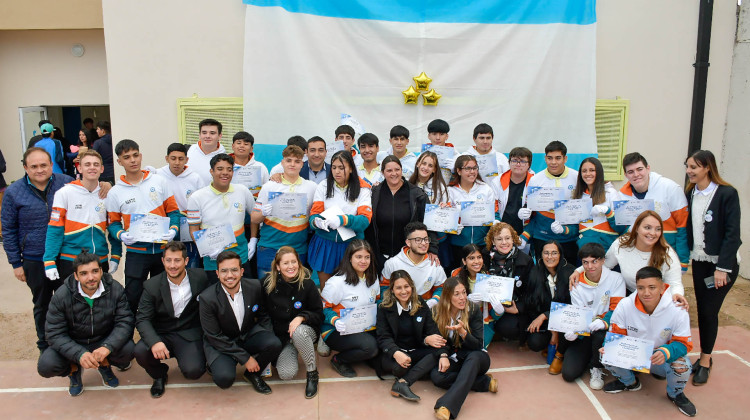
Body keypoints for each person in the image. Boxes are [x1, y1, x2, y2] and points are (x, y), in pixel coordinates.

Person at [1, 148, 73, 351]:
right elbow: (8, 229)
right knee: (42, 303)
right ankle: (45, 345)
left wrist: (103, 185)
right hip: (34, 258)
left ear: (51, 165)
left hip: (65, 256)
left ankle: (70, 342)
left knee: (69, 302)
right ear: (25, 168)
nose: (39, 170)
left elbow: (91, 190)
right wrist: (16, 263)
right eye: (34, 166)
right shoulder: (13, 193)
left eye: (44, 165)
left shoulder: (66, 183)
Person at [601, 267, 696, 417]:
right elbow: (616, 334)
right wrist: (611, 347)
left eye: (652, 287)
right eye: (641, 288)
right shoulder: (625, 305)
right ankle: (629, 383)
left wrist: (667, 351)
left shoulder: (678, 309)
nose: (646, 293)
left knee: (682, 365)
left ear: (662, 287)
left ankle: (675, 394)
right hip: (633, 354)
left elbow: (684, 343)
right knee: (605, 353)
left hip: (659, 358)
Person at [37, 252, 135, 397]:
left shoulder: (115, 289)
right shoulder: (61, 295)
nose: (91, 278)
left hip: (103, 340)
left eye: (95, 271)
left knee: (131, 350)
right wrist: (78, 354)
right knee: (46, 365)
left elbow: (125, 321)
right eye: (84, 273)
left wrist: (107, 347)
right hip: (74, 342)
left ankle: (104, 364)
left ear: (101, 271)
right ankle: (73, 369)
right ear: (76, 276)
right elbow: (54, 333)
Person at [684, 150, 742, 385]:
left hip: (721, 265)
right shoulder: (691, 192)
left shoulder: (726, 193)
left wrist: (723, 268)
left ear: (708, 167)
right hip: (700, 260)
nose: (689, 171)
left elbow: (732, 233)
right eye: (687, 166)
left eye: (694, 167)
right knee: (702, 310)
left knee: (709, 311)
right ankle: (703, 355)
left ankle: (706, 360)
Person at [106, 139, 181, 314]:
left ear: (140, 156)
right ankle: (129, 332)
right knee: (132, 296)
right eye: (126, 157)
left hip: (163, 251)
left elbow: (174, 212)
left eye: (135, 155)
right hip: (136, 252)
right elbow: (113, 223)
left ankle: (160, 331)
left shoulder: (159, 182)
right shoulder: (115, 192)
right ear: (119, 162)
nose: (132, 160)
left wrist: (173, 230)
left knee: (163, 294)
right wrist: (121, 235)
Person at [134, 241, 209, 398]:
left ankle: (192, 357)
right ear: (163, 261)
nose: (172, 265)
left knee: (194, 372)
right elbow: (142, 318)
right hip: (163, 333)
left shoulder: (201, 277)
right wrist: (155, 342)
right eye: (168, 260)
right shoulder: (151, 285)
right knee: (140, 351)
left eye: (177, 260)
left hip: (189, 333)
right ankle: (159, 374)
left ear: (186, 261)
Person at [199, 251, 282, 391]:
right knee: (224, 380)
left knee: (274, 343)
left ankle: (253, 374)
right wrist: (246, 358)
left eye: (234, 270)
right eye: (224, 271)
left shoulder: (254, 286)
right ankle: (218, 363)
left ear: (242, 271)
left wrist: (267, 338)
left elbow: (263, 315)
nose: (230, 275)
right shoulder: (207, 298)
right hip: (222, 342)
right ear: (217, 273)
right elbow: (214, 336)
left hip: (247, 335)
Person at [570, 211, 687, 307]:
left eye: (658, 229)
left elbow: (674, 283)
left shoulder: (667, 253)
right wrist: (578, 271)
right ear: (636, 228)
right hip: (630, 297)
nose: (653, 233)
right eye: (647, 227)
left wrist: (677, 295)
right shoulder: (622, 245)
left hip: (658, 300)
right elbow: (605, 264)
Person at [43, 150, 120, 282]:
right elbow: (55, 228)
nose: (92, 167)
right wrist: (49, 260)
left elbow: (113, 225)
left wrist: (116, 255)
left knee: (100, 301)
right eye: (87, 164)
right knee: (72, 302)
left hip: (99, 258)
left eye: (96, 164)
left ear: (101, 169)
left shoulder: (108, 194)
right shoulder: (65, 193)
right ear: (79, 168)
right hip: (71, 259)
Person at [558, 243, 625, 388]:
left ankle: (596, 367)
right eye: (585, 262)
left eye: (594, 261)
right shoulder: (575, 283)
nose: (590, 266)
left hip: (606, 331)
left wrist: (604, 322)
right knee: (568, 374)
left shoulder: (616, 279)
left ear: (602, 261)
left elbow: (617, 310)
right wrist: (575, 330)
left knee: (600, 334)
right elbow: (578, 313)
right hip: (586, 332)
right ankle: (590, 356)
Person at [261, 247, 323, 398]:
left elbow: (319, 314)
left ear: (299, 263)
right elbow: (262, 315)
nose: (291, 266)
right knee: (286, 374)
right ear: (277, 266)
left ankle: (312, 373)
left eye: (294, 262)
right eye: (286, 263)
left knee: (299, 331)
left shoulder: (307, 284)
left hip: (306, 331)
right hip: (282, 337)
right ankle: (291, 352)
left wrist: (301, 317)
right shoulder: (267, 284)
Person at [431, 277, 497, 420]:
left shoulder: (472, 309)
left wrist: (462, 332)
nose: (462, 298)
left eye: (464, 292)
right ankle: (483, 382)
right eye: (457, 294)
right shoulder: (437, 312)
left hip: (478, 357)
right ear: (448, 296)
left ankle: (447, 406)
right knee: (437, 376)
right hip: (456, 357)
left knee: (473, 357)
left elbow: (478, 344)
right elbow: (437, 340)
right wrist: (443, 355)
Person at [377, 270, 445, 402]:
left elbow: (432, 329)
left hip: (415, 350)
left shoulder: (419, 302)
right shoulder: (384, 307)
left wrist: (436, 348)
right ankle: (420, 371)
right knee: (400, 367)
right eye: (398, 288)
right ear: (392, 290)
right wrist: (396, 352)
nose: (403, 291)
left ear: (412, 287)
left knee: (437, 352)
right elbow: (383, 337)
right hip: (395, 353)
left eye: (406, 286)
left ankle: (403, 383)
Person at [187, 153, 256, 283]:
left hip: (240, 256)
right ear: (211, 171)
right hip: (213, 261)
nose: (225, 173)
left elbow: (255, 216)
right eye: (220, 169)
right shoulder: (197, 197)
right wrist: (207, 250)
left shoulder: (242, 191)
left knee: (246, 296)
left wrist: (253, 239)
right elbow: (193, 230)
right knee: (218, 299)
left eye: (229, 169)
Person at [308, 150, 372, 288]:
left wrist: (343, 220)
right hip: (326, 244)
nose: (337, 172)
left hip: (351, 245)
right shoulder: (324, 185)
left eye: (341, 168)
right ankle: (326, 309)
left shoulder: (363, 189)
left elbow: (364, 221)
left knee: (349, 286)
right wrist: (317, 222)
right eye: (334, 167)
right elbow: (313, 216)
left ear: (350, 169)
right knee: (325, 287)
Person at [252, 145, 317, 279]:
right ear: (282, 163)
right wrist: (263, 212)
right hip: (270, 247)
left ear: (302, 164)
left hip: (297, 249)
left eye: (297, 161)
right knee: (266, 291)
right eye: (289, 160)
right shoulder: (269, 186)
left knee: (295, 293)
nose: (292, 164)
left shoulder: (311, 187)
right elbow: (254, 218)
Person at [320, 239, 381, 377]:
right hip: (336, 330)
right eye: (358, 257)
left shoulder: (373, 278)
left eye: (367, 257)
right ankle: (339, 360)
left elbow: (377, 302)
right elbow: (322, 309)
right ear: (349, 258)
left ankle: (365, 355)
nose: (363, 261)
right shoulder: (336, 283)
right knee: (370, 347)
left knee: (384, 343)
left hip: (364, 327)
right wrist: (335, 321)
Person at [619, 152, 689, 271]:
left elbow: (683, 226)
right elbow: (623, 230)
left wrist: (682, 260)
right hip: (637, 255)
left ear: (648, 168)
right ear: (626, 175)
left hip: (665, 253)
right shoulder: (621, 196)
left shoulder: (670, 188)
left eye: (639, 169)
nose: (636, 175)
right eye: (630, 172)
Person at [367, 157, 435, 271]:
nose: (394, 174)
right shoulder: (374, 193)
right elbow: (369, 225)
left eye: (397, 169)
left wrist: (433, 250)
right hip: (379, 256)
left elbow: (429, 224)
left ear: (401, 170)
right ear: (382, 172)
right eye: (389, 171)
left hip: (409, 256)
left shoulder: (417, 194)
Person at [519, 141, 579, 263]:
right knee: (543, 273)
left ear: (565, 158)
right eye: (550, 158)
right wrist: (524, 212)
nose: (553, 162)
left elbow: (582, 207)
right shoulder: (536, 180)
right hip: (542, 236)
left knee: (569, 272)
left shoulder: (576, 177)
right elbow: (529, 207)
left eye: (558, 158)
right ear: (545, 158)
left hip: (568, 237)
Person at [478, 223, 534, 347]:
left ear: (513, 238)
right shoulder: (484, 257)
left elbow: (531, 291)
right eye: (499, 239)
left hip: (510, 307)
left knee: (509, 328)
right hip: (487, 306)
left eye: (507, 238)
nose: (504, 242)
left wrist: (518, 308)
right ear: (493, 241)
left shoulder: (525, 261)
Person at [522, 240, 575, 369]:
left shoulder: (570, 272)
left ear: (560, 255)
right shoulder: (535, 273)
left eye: (554, 253)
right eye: (546, 253)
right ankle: (550, 343)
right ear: (541, 255)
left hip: (567, 321)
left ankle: (561, 351)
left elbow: (571, 306)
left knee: (566, 339)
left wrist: (546, 316)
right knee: (534, 343)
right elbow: (531, 303)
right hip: (546, 323)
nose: (550, 257)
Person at [150, 143, 204, 267]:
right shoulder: (156, 175)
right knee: (169, 264)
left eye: (181, 159)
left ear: (187, 159)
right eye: (173, 158)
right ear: (167, 158)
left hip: (188, 227)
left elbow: (202, 203)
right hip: (165, 226)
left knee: (190, 263)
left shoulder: (195, 178)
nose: (177, 162)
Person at [381, 222, 446, 308]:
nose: (424, 243)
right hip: (399, 311)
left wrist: (434, 300)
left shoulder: (435, 265)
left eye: (426, 239)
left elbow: (442, 287)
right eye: (418, 240)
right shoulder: (392, 263)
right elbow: (383, 287)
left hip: (425, 311)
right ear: (408, 242)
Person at [448, 155, 497, 265]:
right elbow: (445, 219)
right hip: (458, 245)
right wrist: (453, 226)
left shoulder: (485, 189)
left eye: (474, 168)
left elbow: (495, 213)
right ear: (459, 171)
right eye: (468, 168)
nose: (472, 172)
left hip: (482, 244)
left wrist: (495, 222)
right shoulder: (450, 191)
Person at [409, 151, 452, 272]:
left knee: (437, 269)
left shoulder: (440, 187)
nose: (426, 167)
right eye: (423, 163)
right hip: (414, 236)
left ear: (434, 170)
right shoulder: (407, 184)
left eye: (430, 165)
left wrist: (445, 208)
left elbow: (447, 214)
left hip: (436, 238)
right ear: (417, 164)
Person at [571, 157, 624, 250]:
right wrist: (563, 230)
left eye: (592, 170)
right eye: (584, 171)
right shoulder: (578, 196)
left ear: (599, 172)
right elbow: (576, 228)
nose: (588, 174)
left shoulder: (611, 193)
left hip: (606, 251)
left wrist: (608, 212)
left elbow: (621, 227)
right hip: (584, 252)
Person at [490, 147, 533, 240]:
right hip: (503, 231)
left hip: (526, 232)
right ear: (509, 163)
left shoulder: (535, 182)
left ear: (529, 165)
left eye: (522, 161)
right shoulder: (497, 181)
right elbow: (493, 205)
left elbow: (538, 209)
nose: (518, 164)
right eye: (514, 161)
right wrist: (497, 222)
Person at [186, 119, 227, 186]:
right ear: (199, 135)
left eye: (212, 133)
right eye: (204, 133)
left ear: (220, 136)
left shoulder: (225, 158)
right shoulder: (188, 151)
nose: (207, 136)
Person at [231, 131, 269, 198]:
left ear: (251, 149)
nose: (242, 146)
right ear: (233, 146)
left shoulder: (260, 167)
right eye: (239, 143)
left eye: (246, 144)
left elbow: (267, 188)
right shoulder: (226, 166)